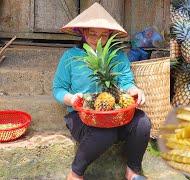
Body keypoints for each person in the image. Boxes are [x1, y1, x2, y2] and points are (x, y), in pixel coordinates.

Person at [52, 3, 151, 180]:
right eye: (92, 34)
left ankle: (133, 171)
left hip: (116, 113)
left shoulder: (118, 56)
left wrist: (134, 90)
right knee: (105, 132)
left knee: (142, 122)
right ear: (83, 32)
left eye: (104, 35)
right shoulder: (70, 57)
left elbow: (127, 82)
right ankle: (75, 174)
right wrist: (72, 99)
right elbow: (58, 89)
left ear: (110, 36)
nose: (98, 39)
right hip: (82, 116)